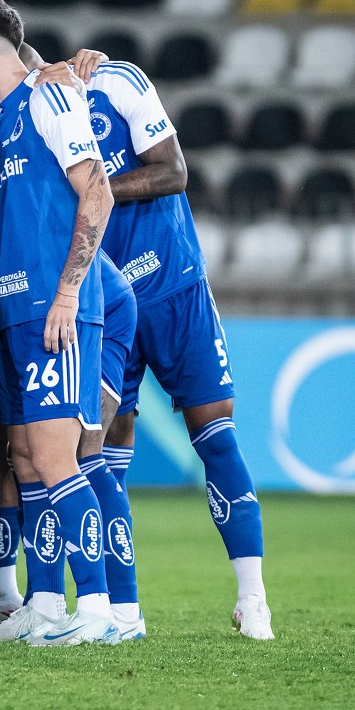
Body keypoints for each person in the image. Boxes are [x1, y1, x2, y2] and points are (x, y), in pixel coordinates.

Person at [81, 53, 272, 638]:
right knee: (98, 447)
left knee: (215, 434)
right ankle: (120, 608)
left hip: (172, 285)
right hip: (106, 300)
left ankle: (254, 598)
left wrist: (92, 190)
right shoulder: (36, 111)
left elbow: (173, 171)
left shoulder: (114, 81)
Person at [0, 0, 119, 646]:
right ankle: (46, 604)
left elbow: (97, 189)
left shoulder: (51, 99)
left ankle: (98, 608)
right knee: (23, 457)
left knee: (54, 458)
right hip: (14, 313)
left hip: (57, 310)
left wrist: (69, 292)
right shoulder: (0, 125)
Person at [76, 251, 143, 641]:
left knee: (84, 454)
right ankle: (41, 603)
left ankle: (125, 608)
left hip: (97, 304)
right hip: (74, 302)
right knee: (34, 454)